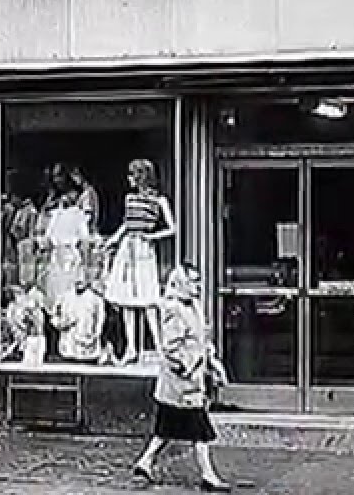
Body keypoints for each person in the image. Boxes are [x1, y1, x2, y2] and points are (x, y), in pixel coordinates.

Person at [132, 266, 231, 492]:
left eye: (198, 281)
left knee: (167, 428)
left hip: (190, 381)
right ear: (180, 283)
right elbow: (171, 347)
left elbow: (202, 337)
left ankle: (145, 461)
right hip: (181, 383)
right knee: (199, 430)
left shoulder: (193, 306)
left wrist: (212, 363)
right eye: (193, 281)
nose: (197, 286)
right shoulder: (173, 309)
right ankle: (208, 475)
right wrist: (187, 367)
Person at [102, 158, 175, 365]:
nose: (129, 179)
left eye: (133, 175)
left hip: (144, 248)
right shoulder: (129, 199)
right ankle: (131, 348)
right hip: (128, 247)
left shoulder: (159, 201)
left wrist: (151, 237)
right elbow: (126, 224)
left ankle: (160, 349)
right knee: (126, 300)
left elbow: (172, 229)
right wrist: (113, 241)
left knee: (148, 299)